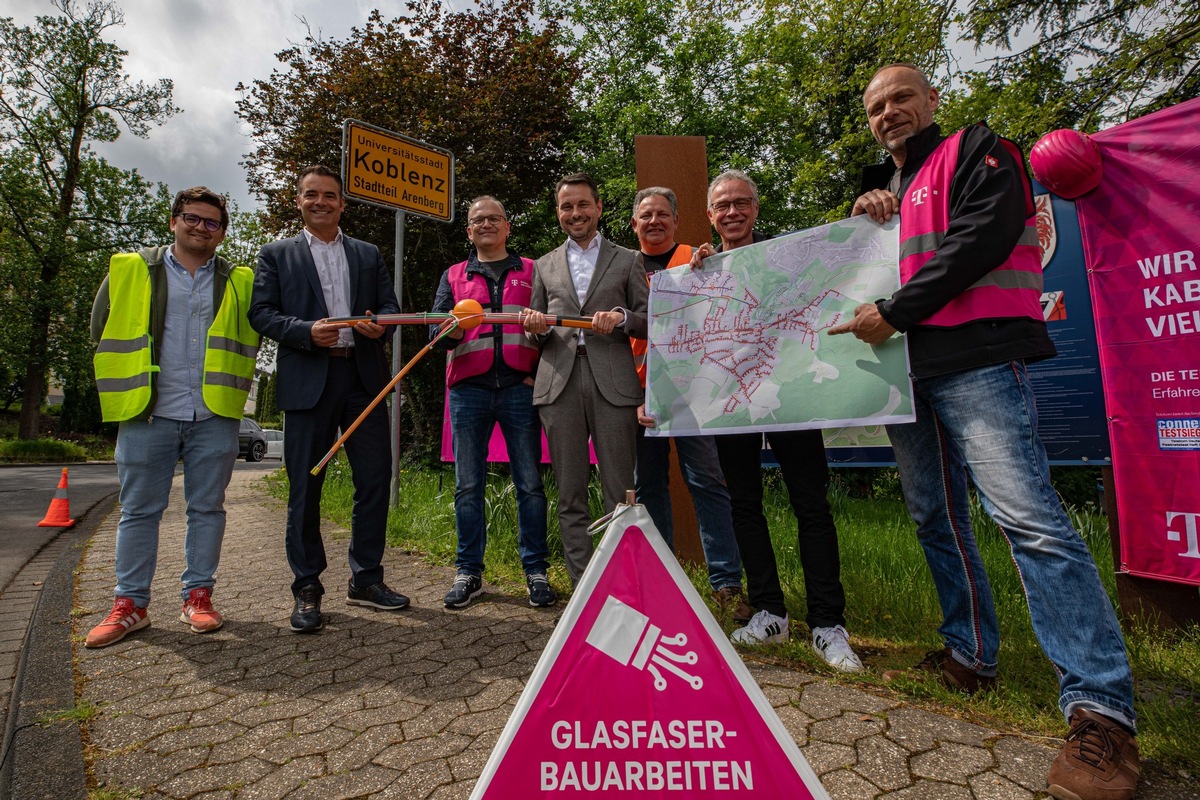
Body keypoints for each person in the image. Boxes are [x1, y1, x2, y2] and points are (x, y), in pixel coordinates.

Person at [830, 64, 1138, 800]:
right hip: (905, 375)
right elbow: (853, 275)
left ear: (931, 99)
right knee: (934, 515)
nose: (889, 112)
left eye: (901, 97)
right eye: (876, 107)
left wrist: (897, 309)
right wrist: (864, 214)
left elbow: (988, 232)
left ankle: (1101, 714)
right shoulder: (885, 192)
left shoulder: (979, 148)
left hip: (977, 361)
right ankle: (968, 654)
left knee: (1029, 520)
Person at [693, 170, 863, 672]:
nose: (732, 212)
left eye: (741, 203)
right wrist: (697, 266)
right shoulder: (703, 270)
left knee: (810, 504)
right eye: (722, 205)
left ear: (756, 209)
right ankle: (769, 613)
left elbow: (830, 283)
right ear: (710, 215)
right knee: (743, 504)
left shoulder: (787, 258)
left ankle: (828, 624)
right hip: (734, 402)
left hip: (791, 396)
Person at [86, 187, 258, 648]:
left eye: (212, 222)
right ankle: (130, 606)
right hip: (148, 411)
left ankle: (198, 597)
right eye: (192, 218)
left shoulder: (239, 279)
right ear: (173, 221)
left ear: (222, 232)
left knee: (207, 509)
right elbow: (100, 326)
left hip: (215, 412)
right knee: (139, 511)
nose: (201, 227)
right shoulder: (131, 269)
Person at [249, 164, 409, 634]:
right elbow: (261, 313)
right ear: (298, 201)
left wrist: (381, 324)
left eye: (330, 196)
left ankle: (366, 578)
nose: (320, 202)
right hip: (307, 382)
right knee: (305, 487)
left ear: (343, 203)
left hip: (363, 381)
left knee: (374, 480)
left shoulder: (367, 253)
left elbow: (390, 309)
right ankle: (307, 587)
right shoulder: (277, 254)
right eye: (311, 195)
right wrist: (304, 331)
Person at [628, 186, 750, 623]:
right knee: (649, 490)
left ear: (677, 222)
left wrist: (710, 260)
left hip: (696, 394)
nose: (654, 221)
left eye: (663, 214)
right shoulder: (622, 268)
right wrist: (636, 396)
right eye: (646, 215)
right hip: (641, 400)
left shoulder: (697, 258)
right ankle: (664, 584)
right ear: (634, 223)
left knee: (708, 483)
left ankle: (727, 586)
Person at [521, 173, 649, 584]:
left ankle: (621, 585)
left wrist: (623, 318)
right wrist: (535, 327)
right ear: (558, 213)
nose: (575, 214)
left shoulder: (628, 259)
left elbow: (650, 322)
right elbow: (532, 331)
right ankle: (583, 589)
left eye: (582, 205)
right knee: (570, 493)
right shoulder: (543, 265)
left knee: (620, 493)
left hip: (613, 383)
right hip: (558, 381)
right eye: (566, 207)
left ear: (598, 207)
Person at [430, 196, 554, 609]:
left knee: (530, 484)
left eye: (493, 218)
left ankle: (536, 571)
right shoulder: (453, 275)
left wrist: (538, 367)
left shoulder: (534, 270)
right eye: (477, 220)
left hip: (520, 388)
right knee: (468, 485)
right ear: (468, 230)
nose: (485, 224)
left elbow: (553, 327)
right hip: (469, 390)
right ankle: (469, 572)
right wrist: (451, 328)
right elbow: (436, 334)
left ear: (507, 226)